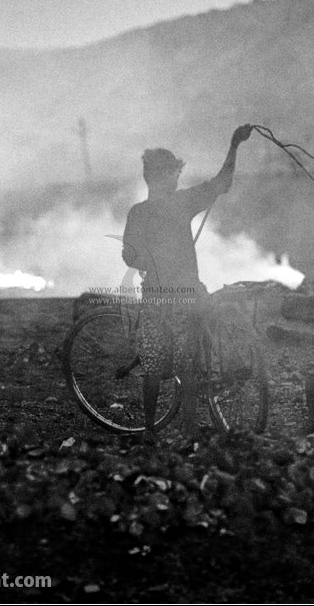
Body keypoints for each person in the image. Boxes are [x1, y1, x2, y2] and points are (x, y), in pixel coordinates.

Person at [121, 124, 253, 435]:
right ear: (161, 177)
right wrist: (234, 145)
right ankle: (188, 432)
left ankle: (152, 433)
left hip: (155, 295)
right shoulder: (180, 203)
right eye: (174, 173)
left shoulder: (138, 213)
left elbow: (129, 257)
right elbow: (223, 182)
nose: (177, 177)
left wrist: (148, 260)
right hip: (182, 294)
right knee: (186, 368)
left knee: (153, 368)